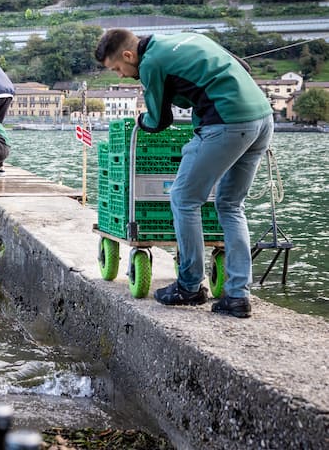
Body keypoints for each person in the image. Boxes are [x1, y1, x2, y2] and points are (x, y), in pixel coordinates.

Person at [95, 28, 273, 318]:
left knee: (183, 198)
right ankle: (238, 296)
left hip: (227, 121)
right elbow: (244, 66)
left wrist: (140, 119)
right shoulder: (187, 36)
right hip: (262, 119)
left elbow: (158, 120)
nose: (121, 75)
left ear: (128, 55)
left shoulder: (150, 63)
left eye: (117, 68)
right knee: (230, 205)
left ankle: (189, 286)